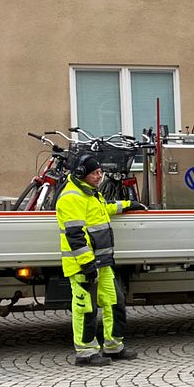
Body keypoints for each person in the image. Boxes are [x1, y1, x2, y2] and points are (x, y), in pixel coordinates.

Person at [56, 154, 147, 365]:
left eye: (100, 172)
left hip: (101, 263)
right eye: (95, 173)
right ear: (82, 174)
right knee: (86, 309)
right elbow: (75, 236)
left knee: (115, 302)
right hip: (83, 265)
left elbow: (103, 209)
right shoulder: (71, 197)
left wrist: (127, 205)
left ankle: (114, 347)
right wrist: (87, 263)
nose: (99, 176)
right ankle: (85, 353)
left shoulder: (89, 193)